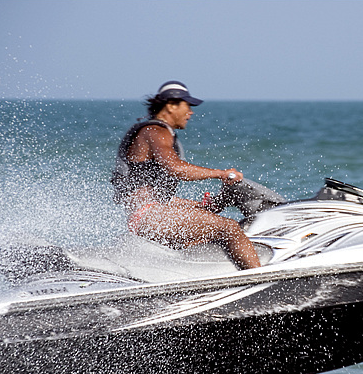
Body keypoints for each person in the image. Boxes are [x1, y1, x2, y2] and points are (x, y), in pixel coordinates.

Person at [111, 81, 261, 270]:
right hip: (150, 217)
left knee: (208, 233)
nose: (190, 112)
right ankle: (260, 279)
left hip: (148, 217)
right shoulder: (155, 131)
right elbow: (176, 168)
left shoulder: (155, 132)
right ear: (171, 106)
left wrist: (197, 206)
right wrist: (221, 173)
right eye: (187, 106)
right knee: (230, 228)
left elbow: (158, 197)